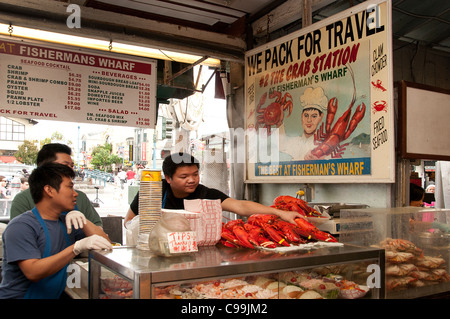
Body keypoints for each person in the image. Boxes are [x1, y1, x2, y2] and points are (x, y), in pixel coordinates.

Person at [0, 163, 112, 299]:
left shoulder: (67, 222)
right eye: (70, 187)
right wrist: (75, 248)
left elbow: (105, 243)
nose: (75, 193)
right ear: (49, 190)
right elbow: (33, 272)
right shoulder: (21, 226)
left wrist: (84, 221)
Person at [124, 152, 304, 226]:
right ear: (169, 178)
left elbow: (241, 206)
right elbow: (129, 221)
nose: (192, 180)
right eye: (184, 177)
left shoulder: (204, 193)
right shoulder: (153, 191)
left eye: (195, 174)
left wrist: (280, 213)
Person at [10, 143, 103, 227]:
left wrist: (85, 226)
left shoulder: (80, 198)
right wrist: (76, 246)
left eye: (71, 166)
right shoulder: (23, 200)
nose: (70, 169)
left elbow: (97, 228)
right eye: (65, 165)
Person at [279, 87, 327, 160]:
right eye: (306, 115)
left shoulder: (324, 146)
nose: (309, 120)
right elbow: (280, 146)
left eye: (314, 116)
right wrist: (279, 122)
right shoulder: (294, 141)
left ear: (320, 117)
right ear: (302, 116)